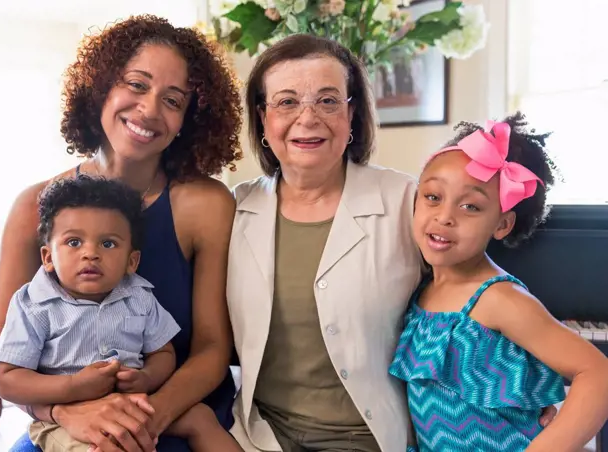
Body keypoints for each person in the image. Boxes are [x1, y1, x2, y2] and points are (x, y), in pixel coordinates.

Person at [225, 34, 558, 452]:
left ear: (352, 116)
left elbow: (479, 293)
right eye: (286, 101)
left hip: (369, 438)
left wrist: (528, 393)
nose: (307, 118)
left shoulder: (408, 201)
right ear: (262, 118)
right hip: (257, 435)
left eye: (328, 101)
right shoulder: (234, 209)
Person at [0, 15, 243, 452]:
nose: (150, 109)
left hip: (177, 410)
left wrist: (140, 420)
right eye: (136, 85)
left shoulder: (206, 205)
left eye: (173, 100)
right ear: (100, 87)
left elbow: (213, 349)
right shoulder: (33, 205)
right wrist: (65, 411)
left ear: (188, 121)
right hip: (70, 418)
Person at [389, 113, 608, 451]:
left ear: (502, 225)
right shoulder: (424, 285)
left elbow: (598, 373)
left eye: (470, 207)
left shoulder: (498, 299)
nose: (445, 216)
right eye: (433, 197)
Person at [0, 175, 242, 452]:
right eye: (74, 242)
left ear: (132, 261)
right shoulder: (33, 305)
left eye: (108, 244)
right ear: (48, 257)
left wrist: (147, 377)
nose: (91, 254)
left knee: (201, 418)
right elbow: (7, 379)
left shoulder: (139, 296)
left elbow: (163, 353)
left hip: (136, 404)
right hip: (67, 418)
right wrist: (73, 387)